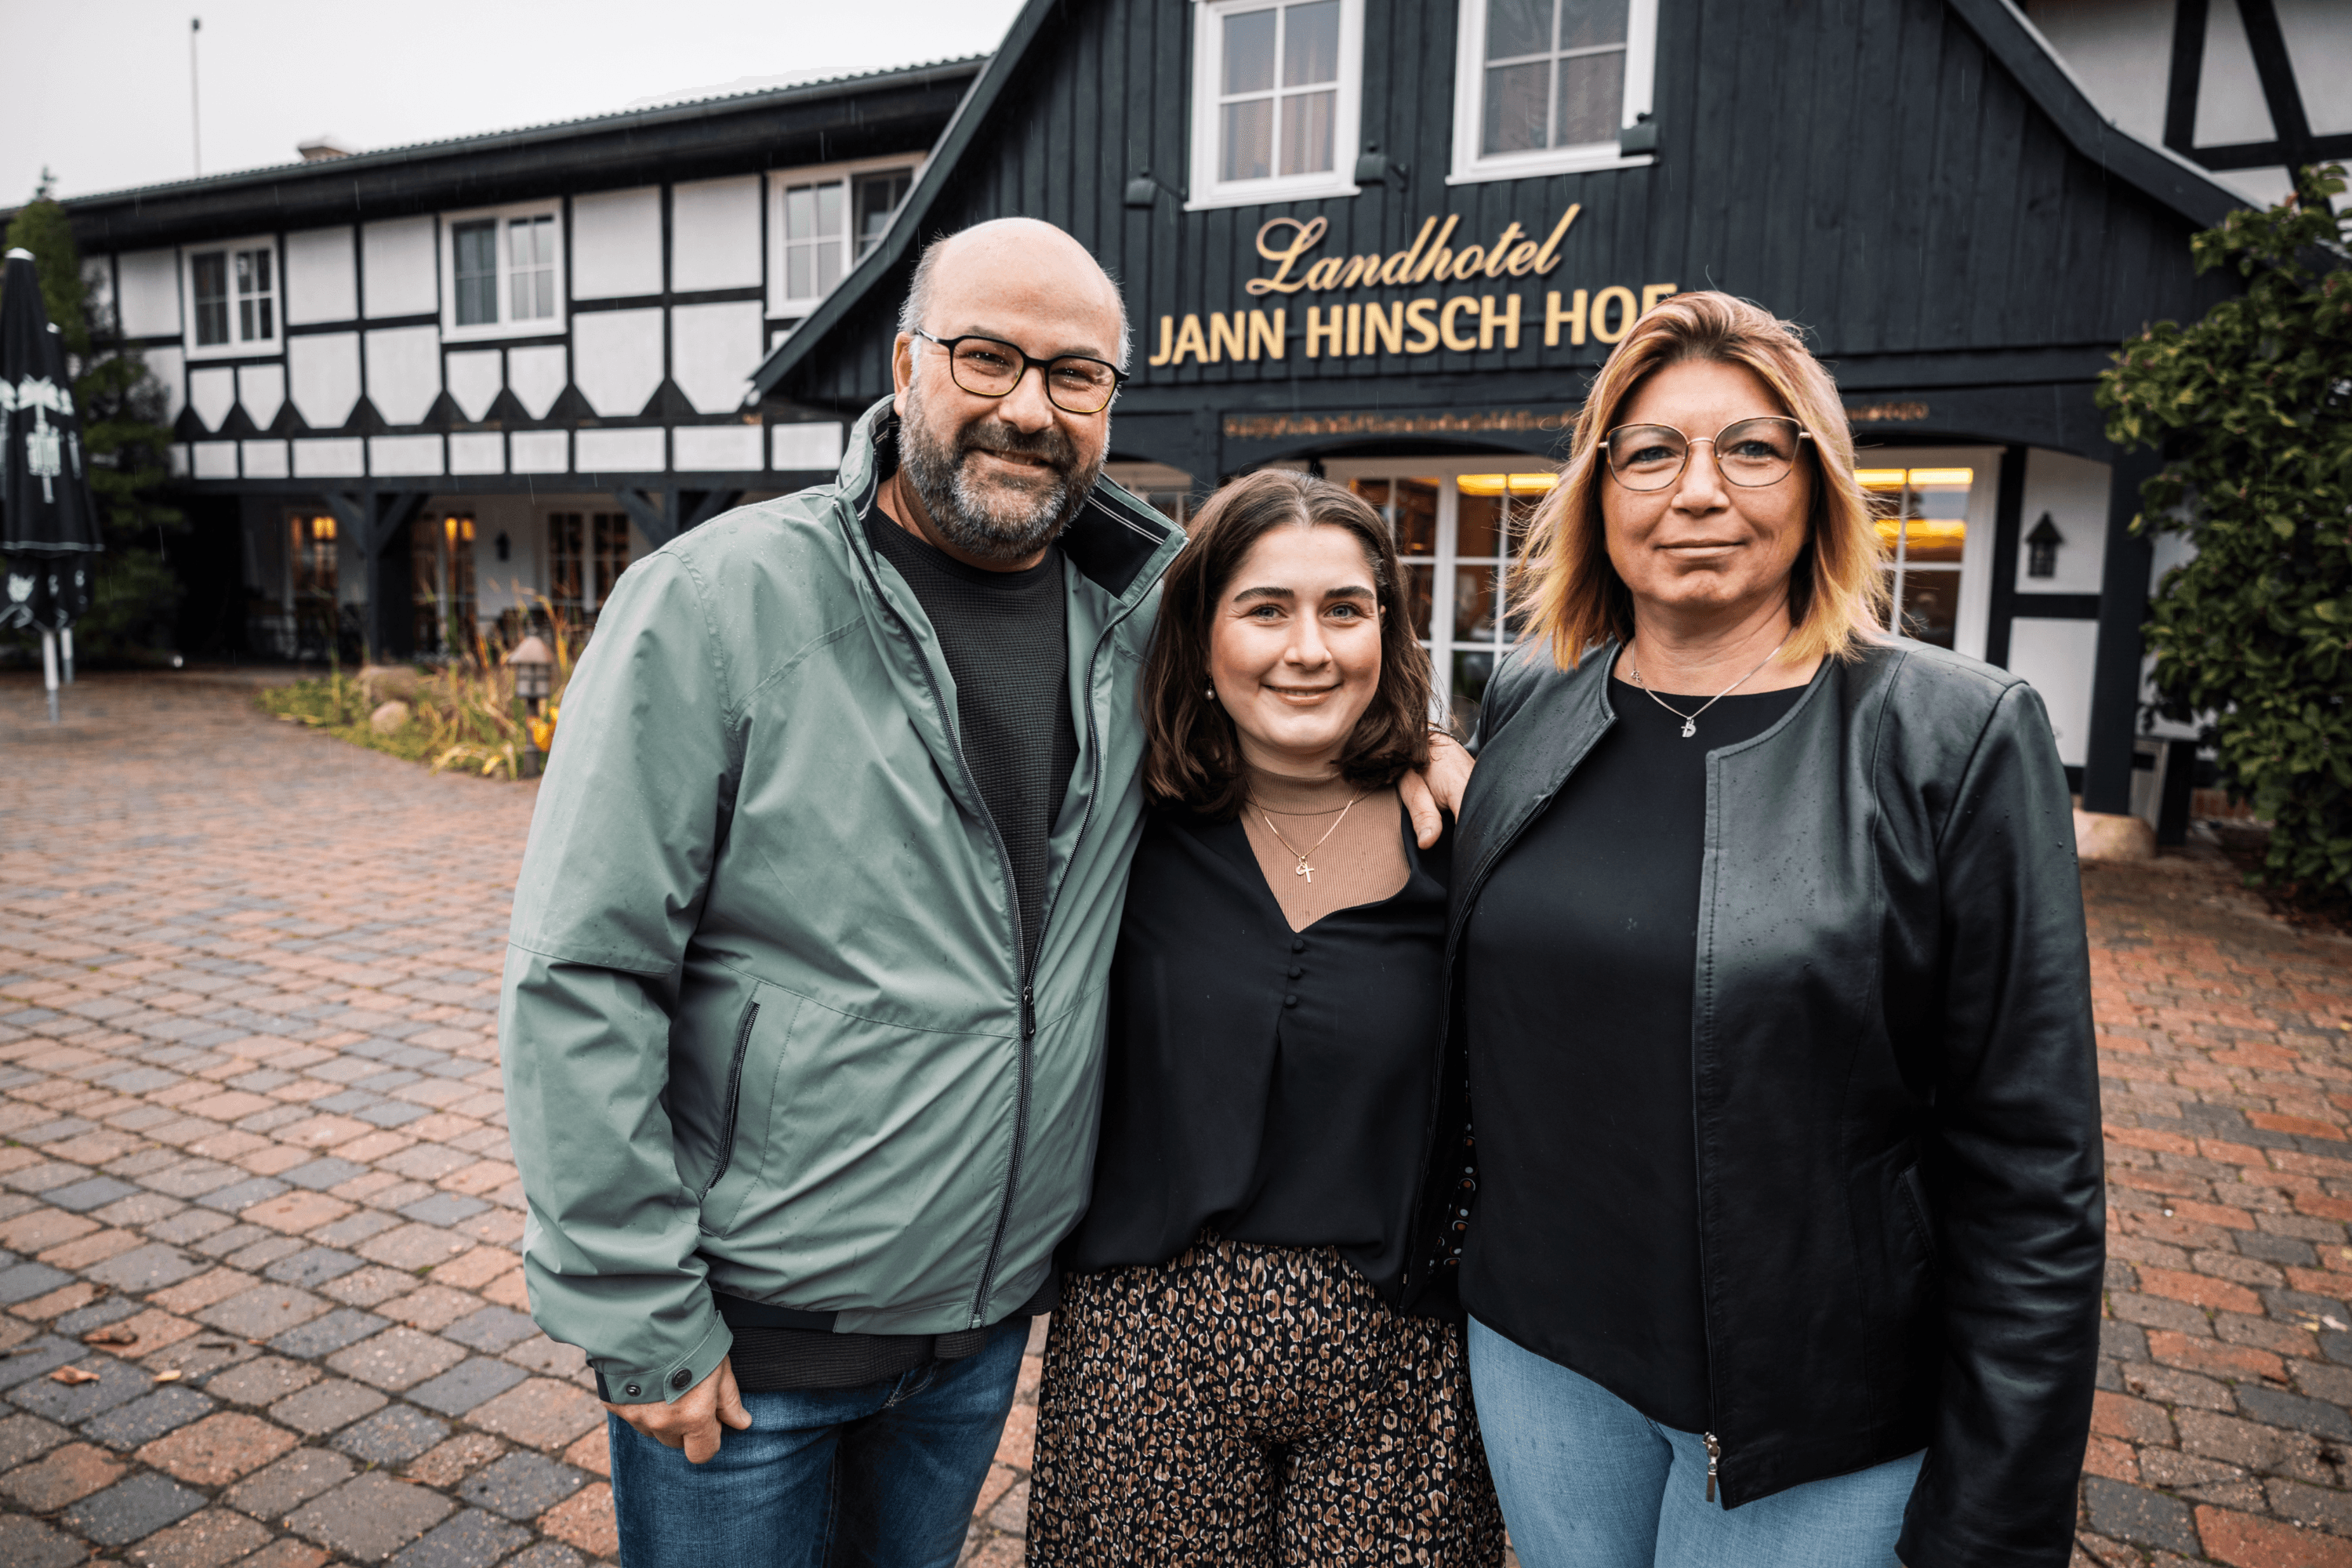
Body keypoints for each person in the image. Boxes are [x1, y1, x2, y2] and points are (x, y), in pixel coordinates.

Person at [499, 218, 1464, 1568]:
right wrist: (637, 1310)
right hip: (752, 1333)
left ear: (1110, 405)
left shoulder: (1135, 628)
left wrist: (1417, 743)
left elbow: (1297, 675)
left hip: (978, 1335)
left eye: (1074, 376)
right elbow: (582, 973)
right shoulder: (716, 602)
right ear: (904, 366)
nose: (1028, 406)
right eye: (987, 357)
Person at [1436, 292, 2102, 1568]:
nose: (1698, 492)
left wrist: (2001, 1509)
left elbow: (2033, 1163)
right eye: (1650, 452)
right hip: (1539, 1359)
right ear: (1598, 491)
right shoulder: (1527, 705)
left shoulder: (1952, 738)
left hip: (1817, 1408)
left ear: (1817, 483)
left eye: (1751, 447)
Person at [1025, 469, 1504, 1566]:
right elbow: (1042, 512)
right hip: (1146, 1346)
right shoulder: (1117, 821)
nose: (1309, 649)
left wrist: (1440, 755)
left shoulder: (1466, 835)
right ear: (1198, 636)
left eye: (1345, 608)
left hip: (1401, 1359)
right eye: (1264, 607)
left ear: (1386, 628)